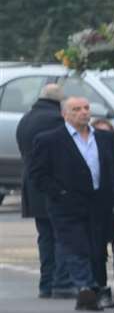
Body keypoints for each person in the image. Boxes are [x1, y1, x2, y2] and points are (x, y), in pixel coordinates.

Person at [28, 96, 114, 310]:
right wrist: (59, 192)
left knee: (97, 248)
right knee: (76, 246)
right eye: (76, 109)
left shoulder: (104, 138)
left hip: (99, 202)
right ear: (65, 114)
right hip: (66, 204)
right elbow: (38, 174)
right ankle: (85, 287)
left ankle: (97, 288)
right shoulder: (50, 140)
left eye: (86, 108)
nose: (83, 112)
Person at [15, 83, 66, 299]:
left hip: (31, 185)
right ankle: (59, 281)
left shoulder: (26, 119)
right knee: (60, 235)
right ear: (60, 101)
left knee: (45, 236)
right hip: (51, 185)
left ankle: (46, 283)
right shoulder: (55, 120)